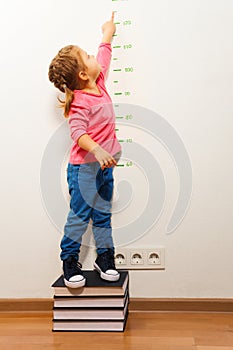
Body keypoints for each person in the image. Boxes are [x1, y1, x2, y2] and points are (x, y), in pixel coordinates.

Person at [48, 13, 121, 288]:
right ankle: (69, 261)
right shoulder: (79, 102)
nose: (94, 58)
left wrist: (107, 32)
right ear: (82, 74)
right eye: (87, 57)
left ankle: (105, 259)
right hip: (83, 170)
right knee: (79, 217)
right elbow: (78, 134)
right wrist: (99, 150)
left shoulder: (98, 83)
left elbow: (103, 58)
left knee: (102, 214)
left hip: (103, 169)